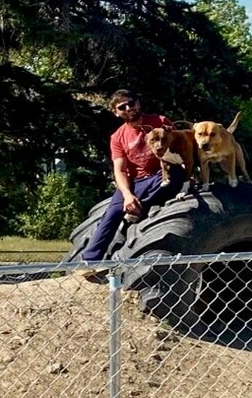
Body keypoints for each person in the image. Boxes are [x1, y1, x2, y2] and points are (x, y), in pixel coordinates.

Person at [79, 89, 186, 269]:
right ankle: (90, 261)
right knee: (111, 213)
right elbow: (119, 169)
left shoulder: (160, 122)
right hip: (135, 181)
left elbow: (180, 148)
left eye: (132, 103)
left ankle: (139, 210)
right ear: (116, 112)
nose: (129, 108)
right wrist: (127, 195)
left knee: (175, 177)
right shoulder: (118, 137)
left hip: (162, 172)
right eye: (122, 107)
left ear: (138, 103)